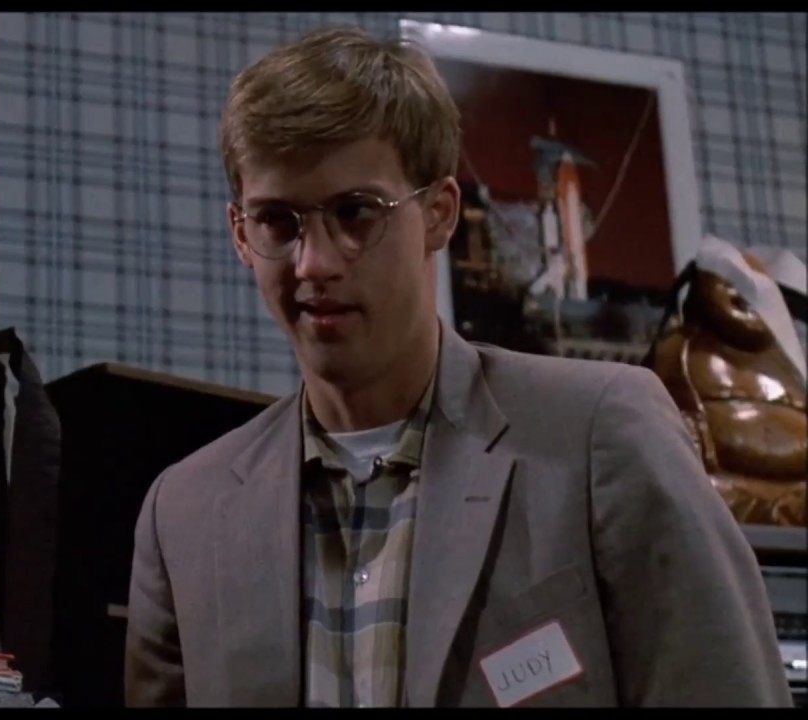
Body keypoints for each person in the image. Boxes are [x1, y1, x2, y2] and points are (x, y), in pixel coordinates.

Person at [122, 25, 792, 708]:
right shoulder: (185, 515)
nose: (314, 264)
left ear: (440, 214)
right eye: (277, 222)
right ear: (241, 234)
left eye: (356, 213)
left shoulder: (602, 434)